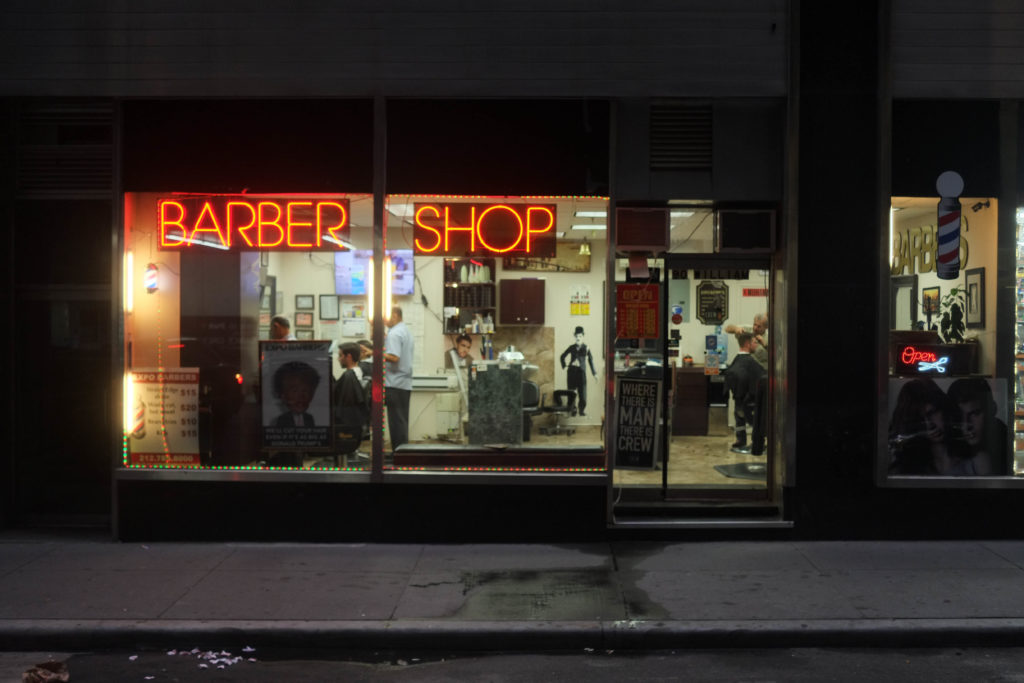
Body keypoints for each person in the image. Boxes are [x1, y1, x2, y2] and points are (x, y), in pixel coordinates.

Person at [888, 377, 970, 475]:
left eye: (932, 413)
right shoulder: (904, 469)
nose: (929, 424)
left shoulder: (971, 460)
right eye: (920, 419)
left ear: (943, 408)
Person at [947, 378, 1007, 475]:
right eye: (959, 417)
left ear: (992, 409)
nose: (967, 424)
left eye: (974, 413)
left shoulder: (1009, 445)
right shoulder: (953, 452)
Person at [723, 332, 765, 453]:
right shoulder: (749, 362)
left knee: (739, 416)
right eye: (754, 343)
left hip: (739, 397)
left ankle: (741, 440)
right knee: (754, 418)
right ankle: (757, 442)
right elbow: (762, 376)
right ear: (747, 344)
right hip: (751, 398)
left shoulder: (737, 360)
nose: (756, 345)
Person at [383, 306, 414, 450]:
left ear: (394, 315)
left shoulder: (394, 334)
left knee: (396, 424)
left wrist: (374, 352)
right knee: (401, 422)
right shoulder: (404, 331)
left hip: (394, 384)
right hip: (403, 384)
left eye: (386, 317)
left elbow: (394, 357)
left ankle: (399, 456)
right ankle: (403, 455)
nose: (384, 320)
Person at [333, 342, 369, 454]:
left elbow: (344, 405)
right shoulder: (357, 372)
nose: (338, 359)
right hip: (357, 421)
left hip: (347, 425)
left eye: (340, 355)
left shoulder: (349, 377)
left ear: (348, 356)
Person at [560, 326, 597, 416]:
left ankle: (581, 410)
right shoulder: (571, 347)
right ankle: (573, 410)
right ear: (574, 336)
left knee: (582, 394)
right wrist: (564, 366)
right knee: (571, 393)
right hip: (572, 372)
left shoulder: (586, 348)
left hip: (581, 372)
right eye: (576, 336)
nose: (578, 338)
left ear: (583, 336)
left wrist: (594, 373)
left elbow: (590, 360)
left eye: (580, 336)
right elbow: (562, 356)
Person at [272, 360, 319, 427]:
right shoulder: (282, 420)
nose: (301, 397)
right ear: (283, 396)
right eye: (295, 391)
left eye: (305, 391)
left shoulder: (309, 418)